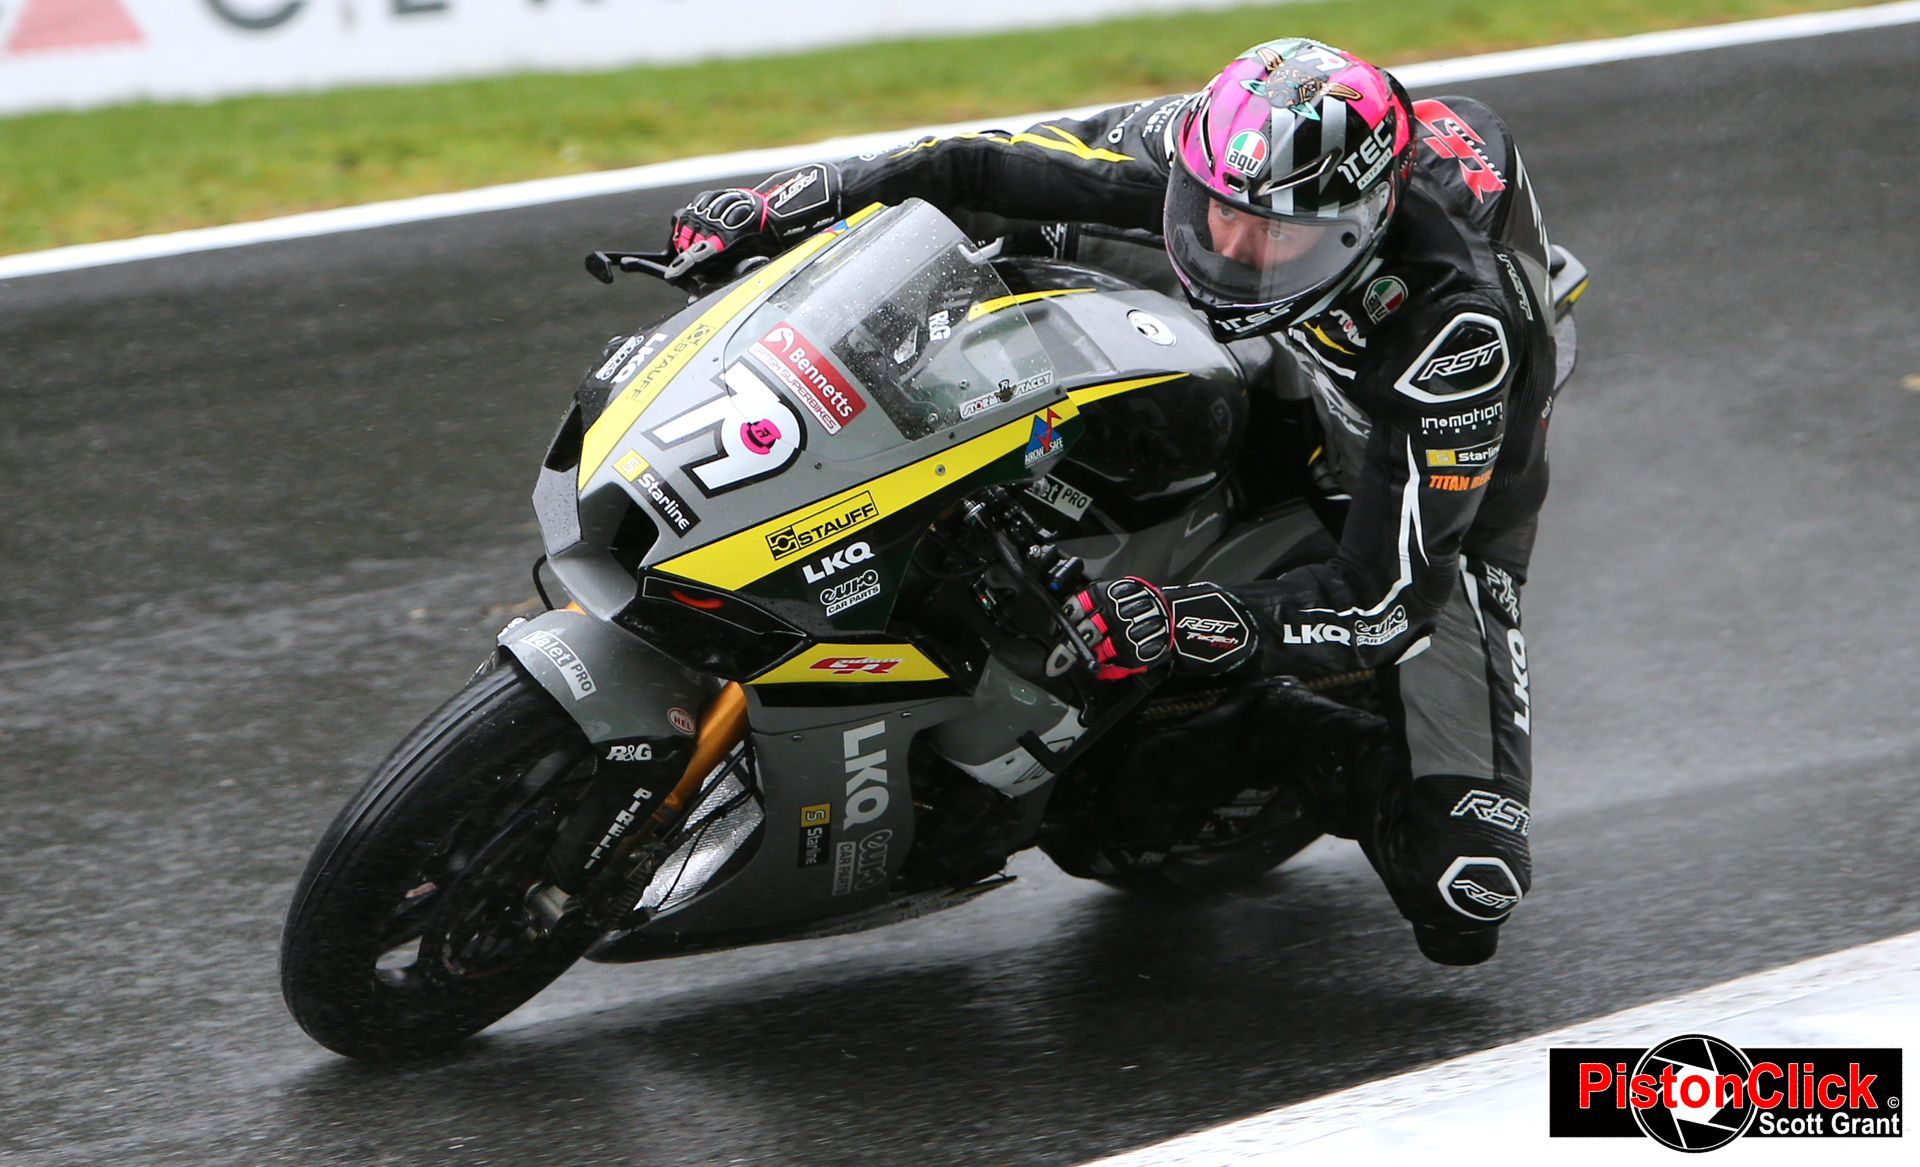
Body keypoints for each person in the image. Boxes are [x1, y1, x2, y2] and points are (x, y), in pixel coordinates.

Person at [666, 37, 1558, 965]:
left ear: (1355, 226)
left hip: (1420, 476)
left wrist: (1187, 623)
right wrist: (795, 199)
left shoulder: (1452, 331)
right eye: (1217, 215)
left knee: (1463, 883)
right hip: (1286, 337)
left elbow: (1387, 597)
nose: (1235, 250)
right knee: (1000, 232)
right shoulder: (1218, 162)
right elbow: (984, 164)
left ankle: (1311, 743)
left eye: (1274, 236)